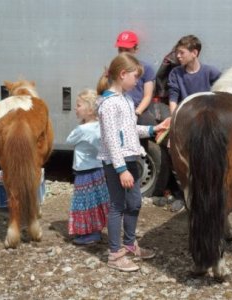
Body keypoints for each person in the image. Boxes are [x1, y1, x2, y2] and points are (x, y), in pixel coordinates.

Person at [96, 52, 168, 272]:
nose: (138, 82)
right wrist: (121, 170)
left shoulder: (126, 100)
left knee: (134, 203)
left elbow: (129, 129)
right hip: (117, 163)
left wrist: (153, 129)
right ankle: (115, 254)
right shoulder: (108, 104)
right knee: (117, 206)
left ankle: (129, 243)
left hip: (131, 158)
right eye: (136, 77)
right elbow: (110, 138)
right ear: (122, 74)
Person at [166, 34, 221, 212]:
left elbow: (223, 93)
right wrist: (174, 124)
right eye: (177, 53)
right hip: (184, 120)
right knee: (174, 153)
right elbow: (173, 99)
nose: (178, 56)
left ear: (194, 53)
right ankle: (184, 194)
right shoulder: (176, 73)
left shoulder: (211, 72)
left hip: (207, 123)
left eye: (181, 53)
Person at [66, 89, 109, 245]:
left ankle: (89, 234)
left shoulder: (81, 130)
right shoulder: (100, 126)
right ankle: (95, 230)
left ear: (90, 110)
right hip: (98, 170)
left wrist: (81, 125)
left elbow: (69, 140)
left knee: (84, 203)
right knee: (95, 202)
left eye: (78, 105)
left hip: (84, 172)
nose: (75, 108)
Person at [114, 30, 156, 126]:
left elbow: (147, 96)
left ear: (135, 49)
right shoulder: (114, 68)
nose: (123, 54)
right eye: (120, 50)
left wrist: (136, 113)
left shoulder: (146, 68)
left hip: (138, 110)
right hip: (118, 110)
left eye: (127, 50)